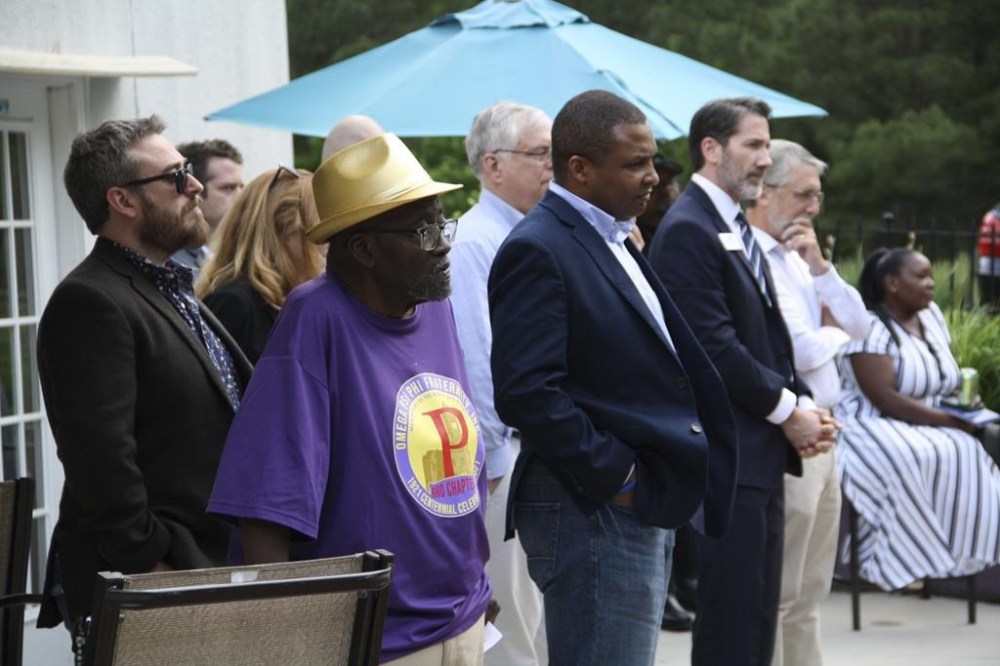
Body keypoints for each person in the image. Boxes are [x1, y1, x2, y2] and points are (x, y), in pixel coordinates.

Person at [208, 133, 492, 664]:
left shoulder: (432, 305)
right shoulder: (315, 318)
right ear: (364, 248)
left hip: (462, 616)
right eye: (424, 230)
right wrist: (287, 642)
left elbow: (458, 462)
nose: (444, 242)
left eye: (442, 223)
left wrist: (477, 578)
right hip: (377, 641)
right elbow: (266, 509)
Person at [488, 89, 738, 665]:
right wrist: (620, 478)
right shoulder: (539, 247)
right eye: (635, 164)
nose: (653, 177)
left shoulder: (614, 234)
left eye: (651, 160)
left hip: (630, 502)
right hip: (593, 508)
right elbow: (527, 393)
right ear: (579, 168)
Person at [35, 117, 251, 648]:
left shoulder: (171, 285)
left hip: (207, 575)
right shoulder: (89, 301)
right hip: (156, 592)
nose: (195, 185)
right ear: (123, 201)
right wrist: (155, 570)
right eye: (177, 176)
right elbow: (101, 464)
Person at [647, 98, 838, 666]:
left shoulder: (732, 221)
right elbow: (713, 346)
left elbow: (765, 339)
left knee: (758, 612)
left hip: (759, 453)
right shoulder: (687, 228)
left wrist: (802, 402)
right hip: (727, 456)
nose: (764, 159)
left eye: (766, 144)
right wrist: (790, 411)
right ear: (711, 149)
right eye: (753, 145)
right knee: (731, 621)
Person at [746, 139, 870, 665]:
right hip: (789, 434)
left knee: (813, 589)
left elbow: (861, 326)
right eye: (804, 195)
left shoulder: (796, 255)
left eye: (818, 195)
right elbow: (797, 348)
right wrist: (834, 333)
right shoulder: (753, 255)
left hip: (826, 434)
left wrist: (821, 267)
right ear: (766, 193)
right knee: (780, 588)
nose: (814, 208)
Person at [449, 100, 551, 666]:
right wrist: (492, 467)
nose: (553, 166)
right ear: (493, 166)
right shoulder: (475, 242)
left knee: (532, 622)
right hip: (500, 465)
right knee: (510, 627)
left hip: (532, 454)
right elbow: (477, 362)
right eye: (540, 154)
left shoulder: (531, 233)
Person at [835, 247, 1000, 591]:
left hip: (927, 418)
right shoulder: (868, 327)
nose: (930, 285)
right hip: (869, 421)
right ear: (892, 283)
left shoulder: (932, 317)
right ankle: (901, 560)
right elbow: (886, 398)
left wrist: (964, 406)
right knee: (913, 455)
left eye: (931, 277)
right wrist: (949, 421)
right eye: (921, 276)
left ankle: (959, 552)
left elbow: (943, 378)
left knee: (968, 451)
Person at [196, 165, 325, 362]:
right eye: (318, 231)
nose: (327, 245)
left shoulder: (295, 300)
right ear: (282, 232)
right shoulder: (235, 304)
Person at [172, 139, 244, 274]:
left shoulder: (243, 254)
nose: (241, 197)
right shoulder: (174, 262)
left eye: (241, 187)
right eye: (228, 188)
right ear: (194, 189)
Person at [636, 153, 683, 252]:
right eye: (657, 185)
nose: (667, 190)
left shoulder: (686, 229)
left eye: (670, 182)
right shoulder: (632, 237)